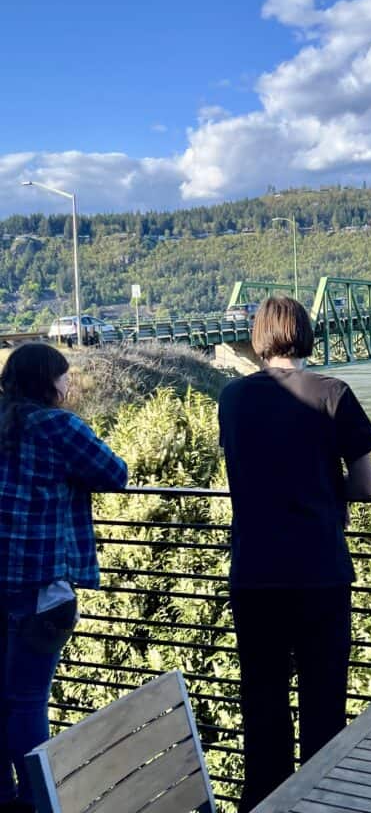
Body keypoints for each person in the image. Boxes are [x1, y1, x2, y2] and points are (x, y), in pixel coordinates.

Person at [218, 296, 371, 810]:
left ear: (260, 337)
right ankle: (319, 801)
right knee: (323, 702)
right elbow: (366, 486)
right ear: (306, 333)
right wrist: (327, 484)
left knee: (261, 700)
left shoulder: (233, 398)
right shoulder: (333, 393)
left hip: (254, 570)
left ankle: (263, 803)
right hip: (318, 571)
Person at [0, 343, 127, 813]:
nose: (69, 383)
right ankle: (39, 801)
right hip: (42, 589)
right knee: (29, 701)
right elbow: (115, 474)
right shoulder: (58, 426)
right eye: (64, 377)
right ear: (48, 383)